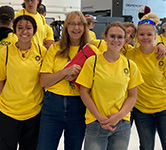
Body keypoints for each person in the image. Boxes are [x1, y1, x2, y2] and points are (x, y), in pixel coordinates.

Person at [76, 21, 144, 150]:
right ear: (105, 37)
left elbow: (132, 97)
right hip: (96, 122)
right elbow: (84, 92)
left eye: (120, 37)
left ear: (125, 40)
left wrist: (119, 115)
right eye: (112, 36)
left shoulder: (130, 66)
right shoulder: (93, 62)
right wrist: (99, 117)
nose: (116, 40)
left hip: (121, 124)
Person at [37, 11, 99, 150]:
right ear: (66, 27)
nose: (76, 28)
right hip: (53, 104)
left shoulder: (92, 51)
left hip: (79, 104)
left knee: (74, 147)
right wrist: (65, 72)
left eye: (79, 24)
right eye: (72, 24)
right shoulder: (55, 48)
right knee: (45, 146)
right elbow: (44, 81)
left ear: (85, 27)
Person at [0, 15, 47, 150]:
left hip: (33, 112)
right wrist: (7, 99)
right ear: (14, 30)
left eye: (28, 28)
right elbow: (1, 81)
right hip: (8, 112)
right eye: (20, 28)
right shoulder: (5, 52)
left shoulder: (41, 51)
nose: (24, 31)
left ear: (34, 31)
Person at [126, 13, 166, 150]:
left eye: (149, 34)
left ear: (155, 36)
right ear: (137, 36)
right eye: (142, 34)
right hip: (141, 110)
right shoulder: (130, 54)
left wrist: (160, 44)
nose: (145, 38)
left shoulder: (162, 55)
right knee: (146, 146)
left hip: (164, 108)